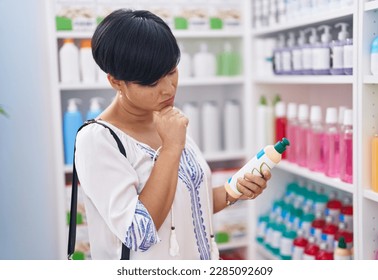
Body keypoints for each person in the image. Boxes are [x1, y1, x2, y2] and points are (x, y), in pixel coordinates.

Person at [75, 9, 271, 260]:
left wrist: (235, 191)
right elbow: (139, 234)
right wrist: (171, 148)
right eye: (151, 83)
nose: (168, 88)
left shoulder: (167, 119)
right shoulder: (97, 140)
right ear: (115, 82)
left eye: (171, 72)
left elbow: (186, 202)